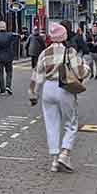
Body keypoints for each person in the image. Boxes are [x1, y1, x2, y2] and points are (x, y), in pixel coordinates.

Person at [28, 22, 82, 173]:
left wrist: (33, 94)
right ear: (64, 36)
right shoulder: (69, 52)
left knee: (51, 124)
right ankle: (65, 153)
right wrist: (87, 70)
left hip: (48, 89)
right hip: (64, 88)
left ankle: (54, 160)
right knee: (71, 123)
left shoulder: (44, 53)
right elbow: (79, 71)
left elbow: (37, 75)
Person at [0, 21, 19, 95]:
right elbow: (17, 38)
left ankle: (2, 90)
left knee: (0, 74)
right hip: (9, 57)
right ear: (5, 27)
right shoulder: (10, 35)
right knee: (9, 72)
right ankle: (8, 86)